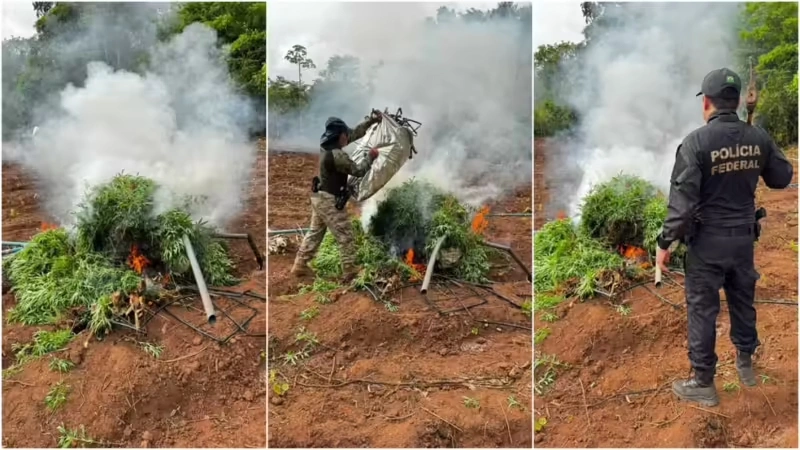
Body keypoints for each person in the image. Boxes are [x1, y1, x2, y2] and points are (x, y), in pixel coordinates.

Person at [655, 68, 794, 407]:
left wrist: (664, 243)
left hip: (707, 245)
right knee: (742, 300)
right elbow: (781, 177)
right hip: (743, 241)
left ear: (707, 102)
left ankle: (703, 383)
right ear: (737, 101)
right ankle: (745, 361)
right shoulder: (757, 136)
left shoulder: (695, 143)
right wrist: (759, 152)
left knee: (703, 310)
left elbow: (682, 206)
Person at [291, 110, 383, 282]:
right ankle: (350, 271)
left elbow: (353, 134)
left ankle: (300, 266)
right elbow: (358, 170)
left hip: (319, 196)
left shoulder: (326, 145)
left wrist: (371, 121)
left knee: (315, 233)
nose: (348, 137)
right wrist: (370, 157)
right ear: (339, 136)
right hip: (329, 201)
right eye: (345, 134)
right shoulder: (338, 156)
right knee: (346, 236)